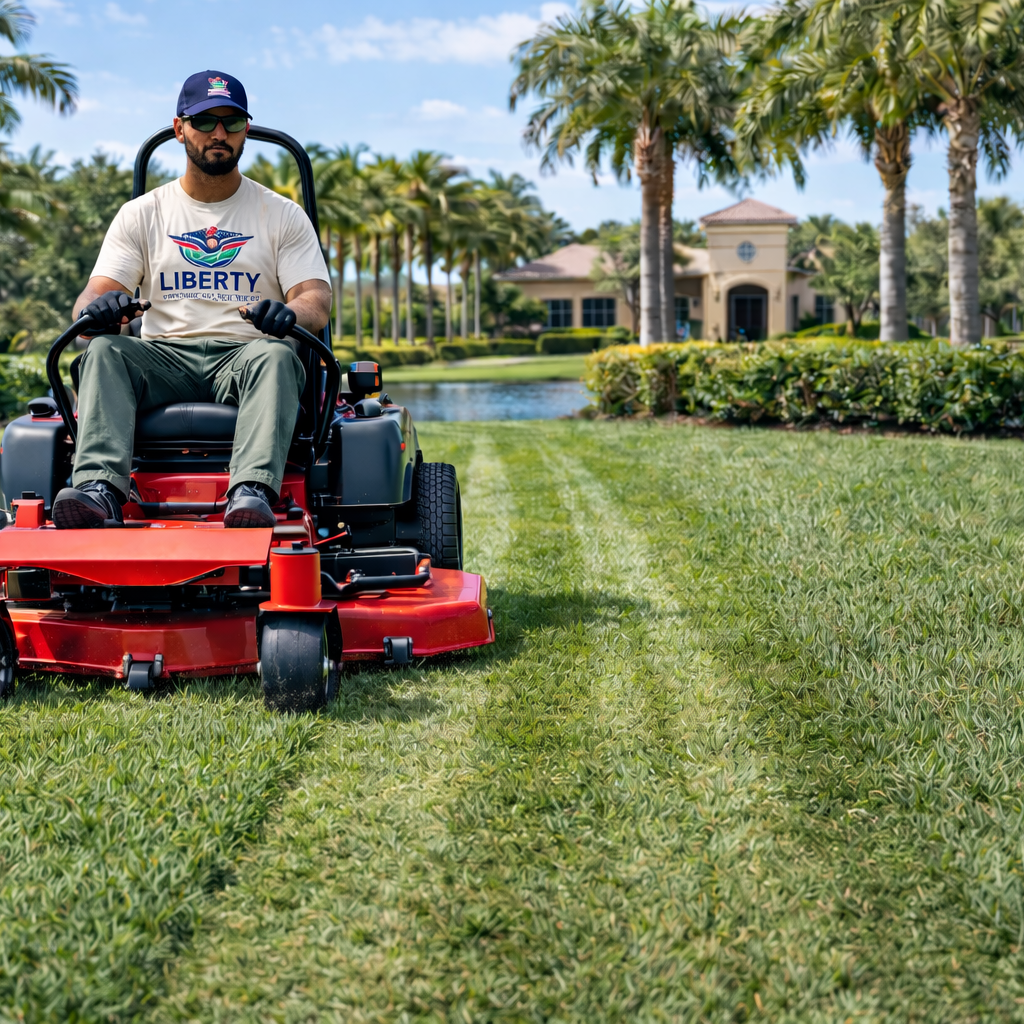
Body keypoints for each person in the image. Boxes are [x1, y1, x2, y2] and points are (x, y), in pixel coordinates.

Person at [51, 70, 332, 530]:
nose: (219, 133)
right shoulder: (142, 214)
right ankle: (98, 491)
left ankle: (251, 493)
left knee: (278, 355)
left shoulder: (282, 215)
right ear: (180, 128)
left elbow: (315, 301)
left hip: (246, 356)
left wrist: (289, 312)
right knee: (103, 350)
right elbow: (96, 293)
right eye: (205, 121)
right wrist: (97, 309)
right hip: (163, 358)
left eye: (232, 122)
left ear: (245, 130)